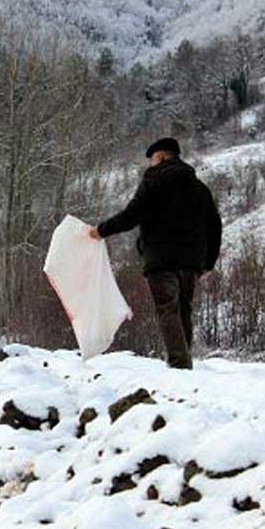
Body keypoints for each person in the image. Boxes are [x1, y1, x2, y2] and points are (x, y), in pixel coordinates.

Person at [88, 137, 222, 370]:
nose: (150, 164)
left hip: (161, 258)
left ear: (160, 157)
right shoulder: (200, 188)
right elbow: (215, 226)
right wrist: (208, 262)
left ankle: (180, 364)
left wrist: (101, 230)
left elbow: (131, 215)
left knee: (167, 310)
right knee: (183, 310)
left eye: (152, 159)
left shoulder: (154, 181)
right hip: (192, 261)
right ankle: (183, 359)